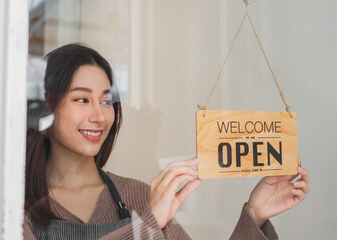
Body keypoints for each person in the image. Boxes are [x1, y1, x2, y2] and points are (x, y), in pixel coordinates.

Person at [23, 44, 310, 240]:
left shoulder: (138, 196)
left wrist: (254, 214)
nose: (99, 116)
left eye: (107, 101)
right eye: (82, 99)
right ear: (47, 104)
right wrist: (146, 224)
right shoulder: (14, 201)